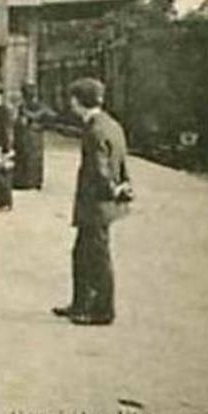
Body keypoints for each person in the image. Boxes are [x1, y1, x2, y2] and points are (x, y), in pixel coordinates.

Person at [54, 78, 132, 326]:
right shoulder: (111, 125)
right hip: (103, 204)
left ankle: (102, 311)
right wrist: (123, 186)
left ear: (78, 101)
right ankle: (80, 303)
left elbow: (100, 171)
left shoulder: (94, 131)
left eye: (72, 100)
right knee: (82, 254)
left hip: (96, 204)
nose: (70, 104)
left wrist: (112, 190)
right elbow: (120, 162)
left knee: (97, 257)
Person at [14, 83, 57, 190]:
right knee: (34, 159)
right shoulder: (40, 106)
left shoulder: (23, 106)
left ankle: (25, 181)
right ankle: (35, 181)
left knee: (25, 158)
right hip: (35, 136)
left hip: (26, 135)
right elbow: (52, 116)